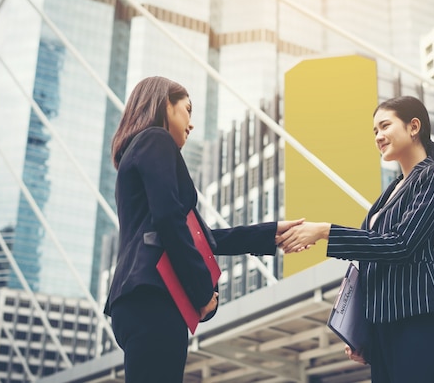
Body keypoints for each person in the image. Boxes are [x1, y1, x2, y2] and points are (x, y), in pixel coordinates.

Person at [104, 76, 302, 382]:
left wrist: (269, 234)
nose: (191, 123)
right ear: (164, 106)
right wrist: (200, 291)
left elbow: (200, 237)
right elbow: (170, 220)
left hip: (134, 300)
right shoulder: (156, 140)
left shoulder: (136, 151)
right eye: (187, 109)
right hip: (155, 296)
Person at [277, 96, 434, 383]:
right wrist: (361, 329)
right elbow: (367, 263)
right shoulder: (386, 195)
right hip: (383, 331)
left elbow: (401, 244)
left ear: (414, 126)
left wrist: (326, 231)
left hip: (420, 322)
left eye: (384, 126)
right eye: (374, 131)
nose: (378, 136)